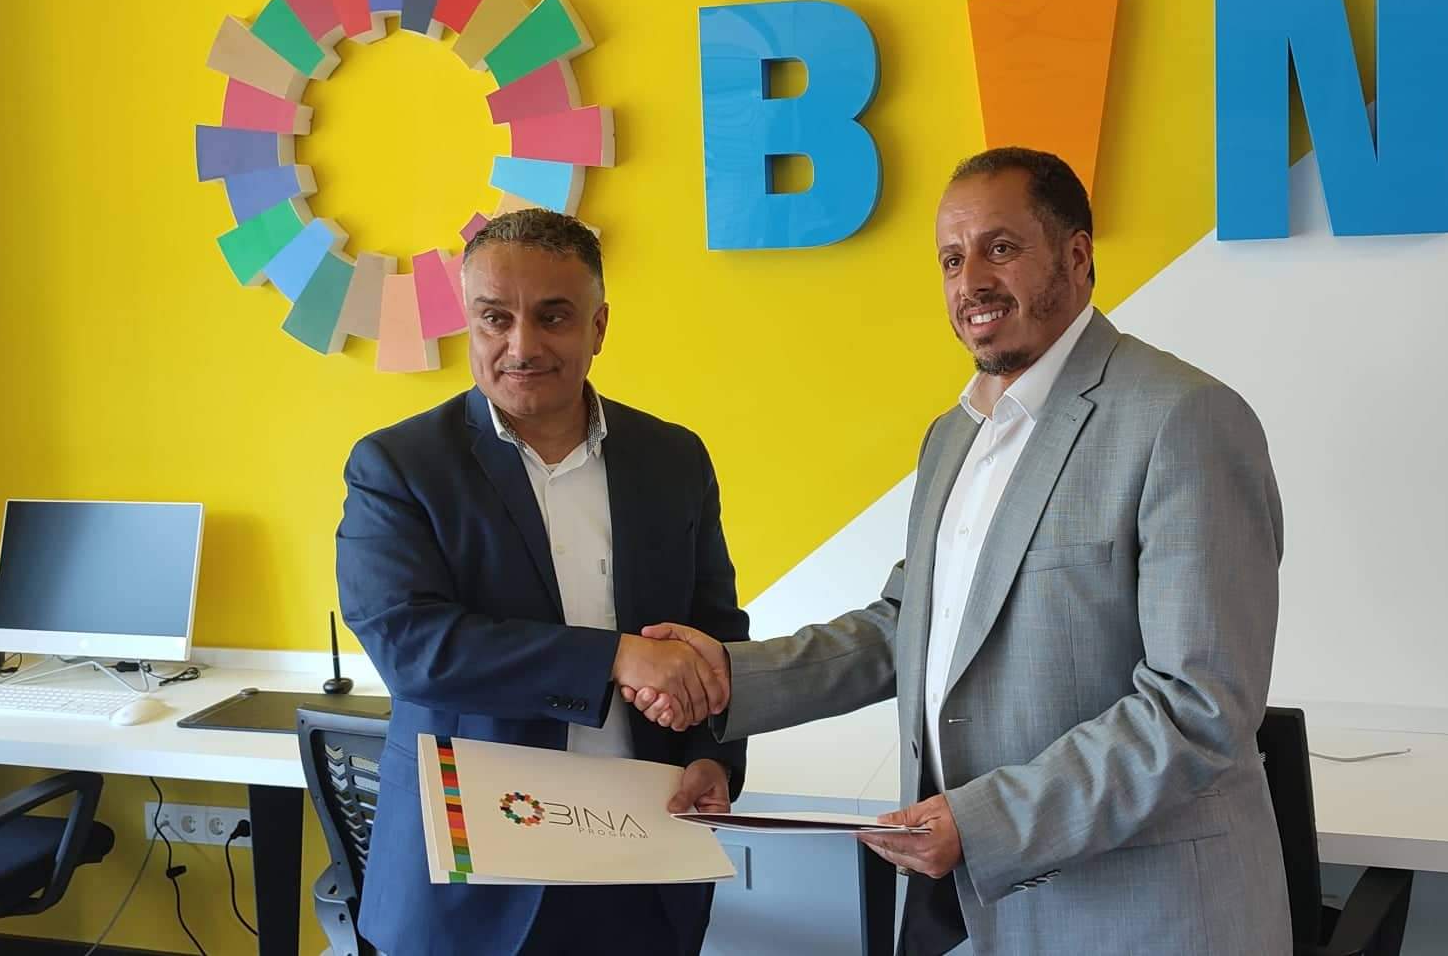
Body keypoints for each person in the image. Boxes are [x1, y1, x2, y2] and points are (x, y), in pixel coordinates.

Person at [629, 148, 1291, 955]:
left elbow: (1199, 706)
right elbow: (906, 623)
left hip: (1144, 915)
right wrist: (733, 678)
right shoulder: (954, 436)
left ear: (1077, 256)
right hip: (981, 908)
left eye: (1000, 248)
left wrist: (984, 821)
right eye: (950, 259)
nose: (970, 280)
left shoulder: (1183, 420)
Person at [337, 208, 746, 956]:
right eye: (495, 318)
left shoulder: (673, 458)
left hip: (642, 854)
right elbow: (412, 646)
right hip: (469, 880)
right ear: (469, 323)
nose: (521, 346)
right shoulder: (398, 466)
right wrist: (616, 656)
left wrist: (713, 757)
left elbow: (715, 631)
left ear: (598, 326)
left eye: (553, 317)